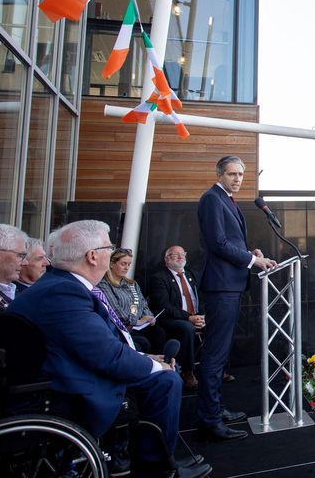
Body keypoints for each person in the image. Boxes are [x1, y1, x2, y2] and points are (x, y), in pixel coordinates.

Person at [8, 220, 209, 477]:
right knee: (166, 380)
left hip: (66, 373)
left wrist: (143, 357)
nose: (112, 252)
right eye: (109, 247)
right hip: (71, 390)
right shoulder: (64, 294)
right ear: (92, 256)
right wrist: (154, 364)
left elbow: (97, 344)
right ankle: (156, 470)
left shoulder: (59, 286)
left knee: (158, 372)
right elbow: (107, 355)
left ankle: (159, 460)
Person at [197, 155, 276, 441]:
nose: (237, 179)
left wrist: (250, 253)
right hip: (221, 286)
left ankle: (216, 409)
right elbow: (218, 243)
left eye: (241, 174)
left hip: (230, 284)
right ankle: (209, 419)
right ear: (220, 174)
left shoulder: (227, 199)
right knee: (215, 354)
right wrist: (252, 262)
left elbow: (229, 242)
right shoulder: (212, 199)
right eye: (232, 174)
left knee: (220, 353)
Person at [148, 245, 205, 390]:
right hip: (170, 319)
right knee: (186, 328)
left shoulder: (192, 275)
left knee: (218, 324)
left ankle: (217, 369)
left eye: (182, 254)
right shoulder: (159, 278)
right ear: (166, 259)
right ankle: (188, 373)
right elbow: (163, 305)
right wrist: (189, 318)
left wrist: (201, 316)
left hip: (194, 316)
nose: (180, 257)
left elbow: (203, 297)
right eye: (175, 255)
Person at [99, 248, 167, 355]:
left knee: (159, 333)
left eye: (129, 264)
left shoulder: (132, 283)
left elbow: (142, 303)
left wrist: (149, 316)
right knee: (142, 343)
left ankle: (159, 365)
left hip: (138, 325)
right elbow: (115, 309)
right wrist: (137, 321)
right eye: (123, 264)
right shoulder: (104, 284)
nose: (127, 267)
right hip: (121, 327)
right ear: (112, 264)